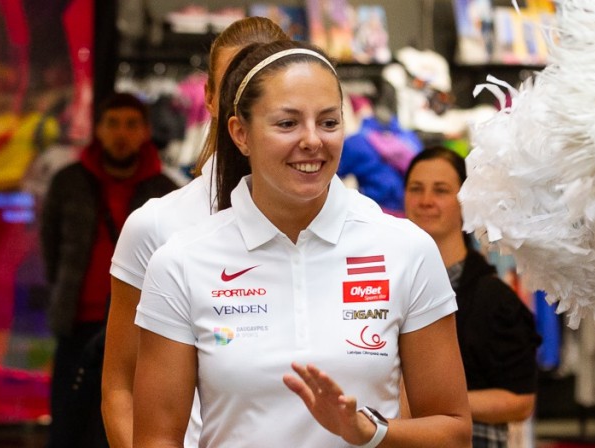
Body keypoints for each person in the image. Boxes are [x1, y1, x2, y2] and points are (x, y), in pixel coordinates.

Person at [132, 40, 471, 447]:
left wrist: (370, 431)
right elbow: (156, 439)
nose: (313, 141)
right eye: (287, 123)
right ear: (240, 133)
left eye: (329, 123)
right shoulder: (180, 262)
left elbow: (453, 433)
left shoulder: (406, 249)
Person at [102, 17, 289, 448]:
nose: (249, 102)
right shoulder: (156, 225)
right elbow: (120, 387)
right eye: (234, 88)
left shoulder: (358, 228)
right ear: (208, 96)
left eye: (264, 83)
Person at [40, 92, 177, 448]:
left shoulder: (165, 191)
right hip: (77, 323)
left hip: (140, 329)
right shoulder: (68, 181)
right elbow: (50, 247)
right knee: (69, 427)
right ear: (98, 130)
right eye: (112, 123)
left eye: (131, 124)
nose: (121, 133)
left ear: (146, 131)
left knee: (128, 425)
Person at [403, 146, 542, 448]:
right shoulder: (388, 285)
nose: (426, 201)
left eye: (440, 190)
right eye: (416, 189)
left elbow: (520, 401)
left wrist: (431, 406)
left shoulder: (492, 297)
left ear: (465, 203)